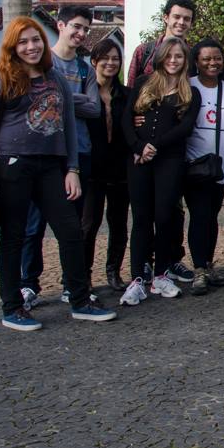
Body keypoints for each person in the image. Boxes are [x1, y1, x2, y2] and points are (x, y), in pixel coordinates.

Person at [0, 17, 116, 330]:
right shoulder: (0, 77)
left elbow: (66, 126)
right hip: (12, 165)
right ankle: (12, 308)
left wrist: (73, 169)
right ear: (13, 46)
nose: (30, 46)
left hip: (52, 167)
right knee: (15, 235)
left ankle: (80, 300)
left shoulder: (55, 78)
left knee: (69, 230)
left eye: (35, 40)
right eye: (23, 42)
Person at [20, 5, 101, 309]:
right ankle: (28, 284)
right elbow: (33, 99)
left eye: (85, 29)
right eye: (76, 27)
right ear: (61, 25)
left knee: (73, 227)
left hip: (78, 153)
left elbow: (94, 109)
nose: (80, 34)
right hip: (44, 153)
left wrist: (62, 96)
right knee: (33, 226)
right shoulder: (42, 62)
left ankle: (72, 285)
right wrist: (72, 98)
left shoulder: (85, 69)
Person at [119, 37, 201, 305]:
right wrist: (138, 146)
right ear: (161, 57)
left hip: (170, 159)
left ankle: (161, 274)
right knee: (141, 219)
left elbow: (184, 128)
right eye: (169, 55)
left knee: (165, 216)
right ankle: (137, 278)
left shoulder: (190, 92)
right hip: (140, 159)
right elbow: (127, 119)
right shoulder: (144, 84)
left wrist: (155, 146)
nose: (173, 60)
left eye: (179, 56)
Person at [182, 39, 224, 296]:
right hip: (195, 164)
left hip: (221, 165)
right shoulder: (188, 86)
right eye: (206, 58)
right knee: (200, 215)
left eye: (217, 58)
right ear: (196, 61)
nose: (212, 63)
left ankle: (208, 264)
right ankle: (198, 269)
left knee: (213, 216)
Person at [82, 39, 132, 293]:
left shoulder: (126, 95)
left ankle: (114, 271)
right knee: (89, 223)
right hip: (92, 167)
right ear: (94, 61)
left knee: (119, 222)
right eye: (106, 58)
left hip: (120, 166)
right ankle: (84, 275)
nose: (111, 63)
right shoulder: (85, 93)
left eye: (116, 59)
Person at [127, 0, 197, 83]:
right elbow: (130, 89)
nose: (181, 22)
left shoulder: (193, 56)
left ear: (191, 23)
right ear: (166, 18)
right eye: (176, 17)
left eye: (186, 19)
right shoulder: (144, 52)